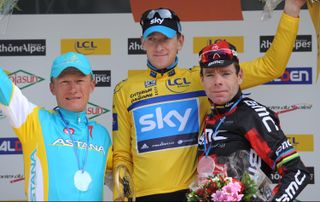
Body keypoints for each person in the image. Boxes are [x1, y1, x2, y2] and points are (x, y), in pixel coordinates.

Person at [112, 0, 306, 200]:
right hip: (145, 195)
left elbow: (270, 67)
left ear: (180, 41)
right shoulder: (125, 90)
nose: (159, 46)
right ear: (142, 42)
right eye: (152, 38)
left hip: (194, 194)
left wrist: (291, 10)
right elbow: (122, 156)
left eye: (166, 38)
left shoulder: (204, 78)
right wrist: (122, 196)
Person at [197, 39, 310, 201]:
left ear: (240, 76)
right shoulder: (209, 116)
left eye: (225, 73)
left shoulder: (252, 115)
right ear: (202, 80)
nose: (217, 81)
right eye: (210, 75)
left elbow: (297, 172)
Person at [0, 52, 112, 201]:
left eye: (79, 81)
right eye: (64, 82)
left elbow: (122, 179)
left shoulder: (102, 135)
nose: (73, 89)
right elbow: (4, 88)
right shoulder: (35, 121)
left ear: (92, 85)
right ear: (52, 87)